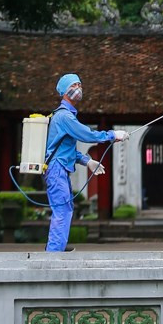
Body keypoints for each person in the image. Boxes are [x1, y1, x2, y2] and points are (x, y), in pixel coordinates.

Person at [44, 72, 129, 253]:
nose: (78, 89)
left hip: (60, 168)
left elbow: (67, 151)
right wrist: (113, 135)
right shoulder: (64, 117)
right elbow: (87, 135)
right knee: (62, 209)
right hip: (57, 169)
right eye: (74, 86)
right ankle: (53, 254)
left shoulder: (64, 116)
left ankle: (57, 247)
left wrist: (87, 161)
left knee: (65, 208)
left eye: (80, 85)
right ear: (65, 91)